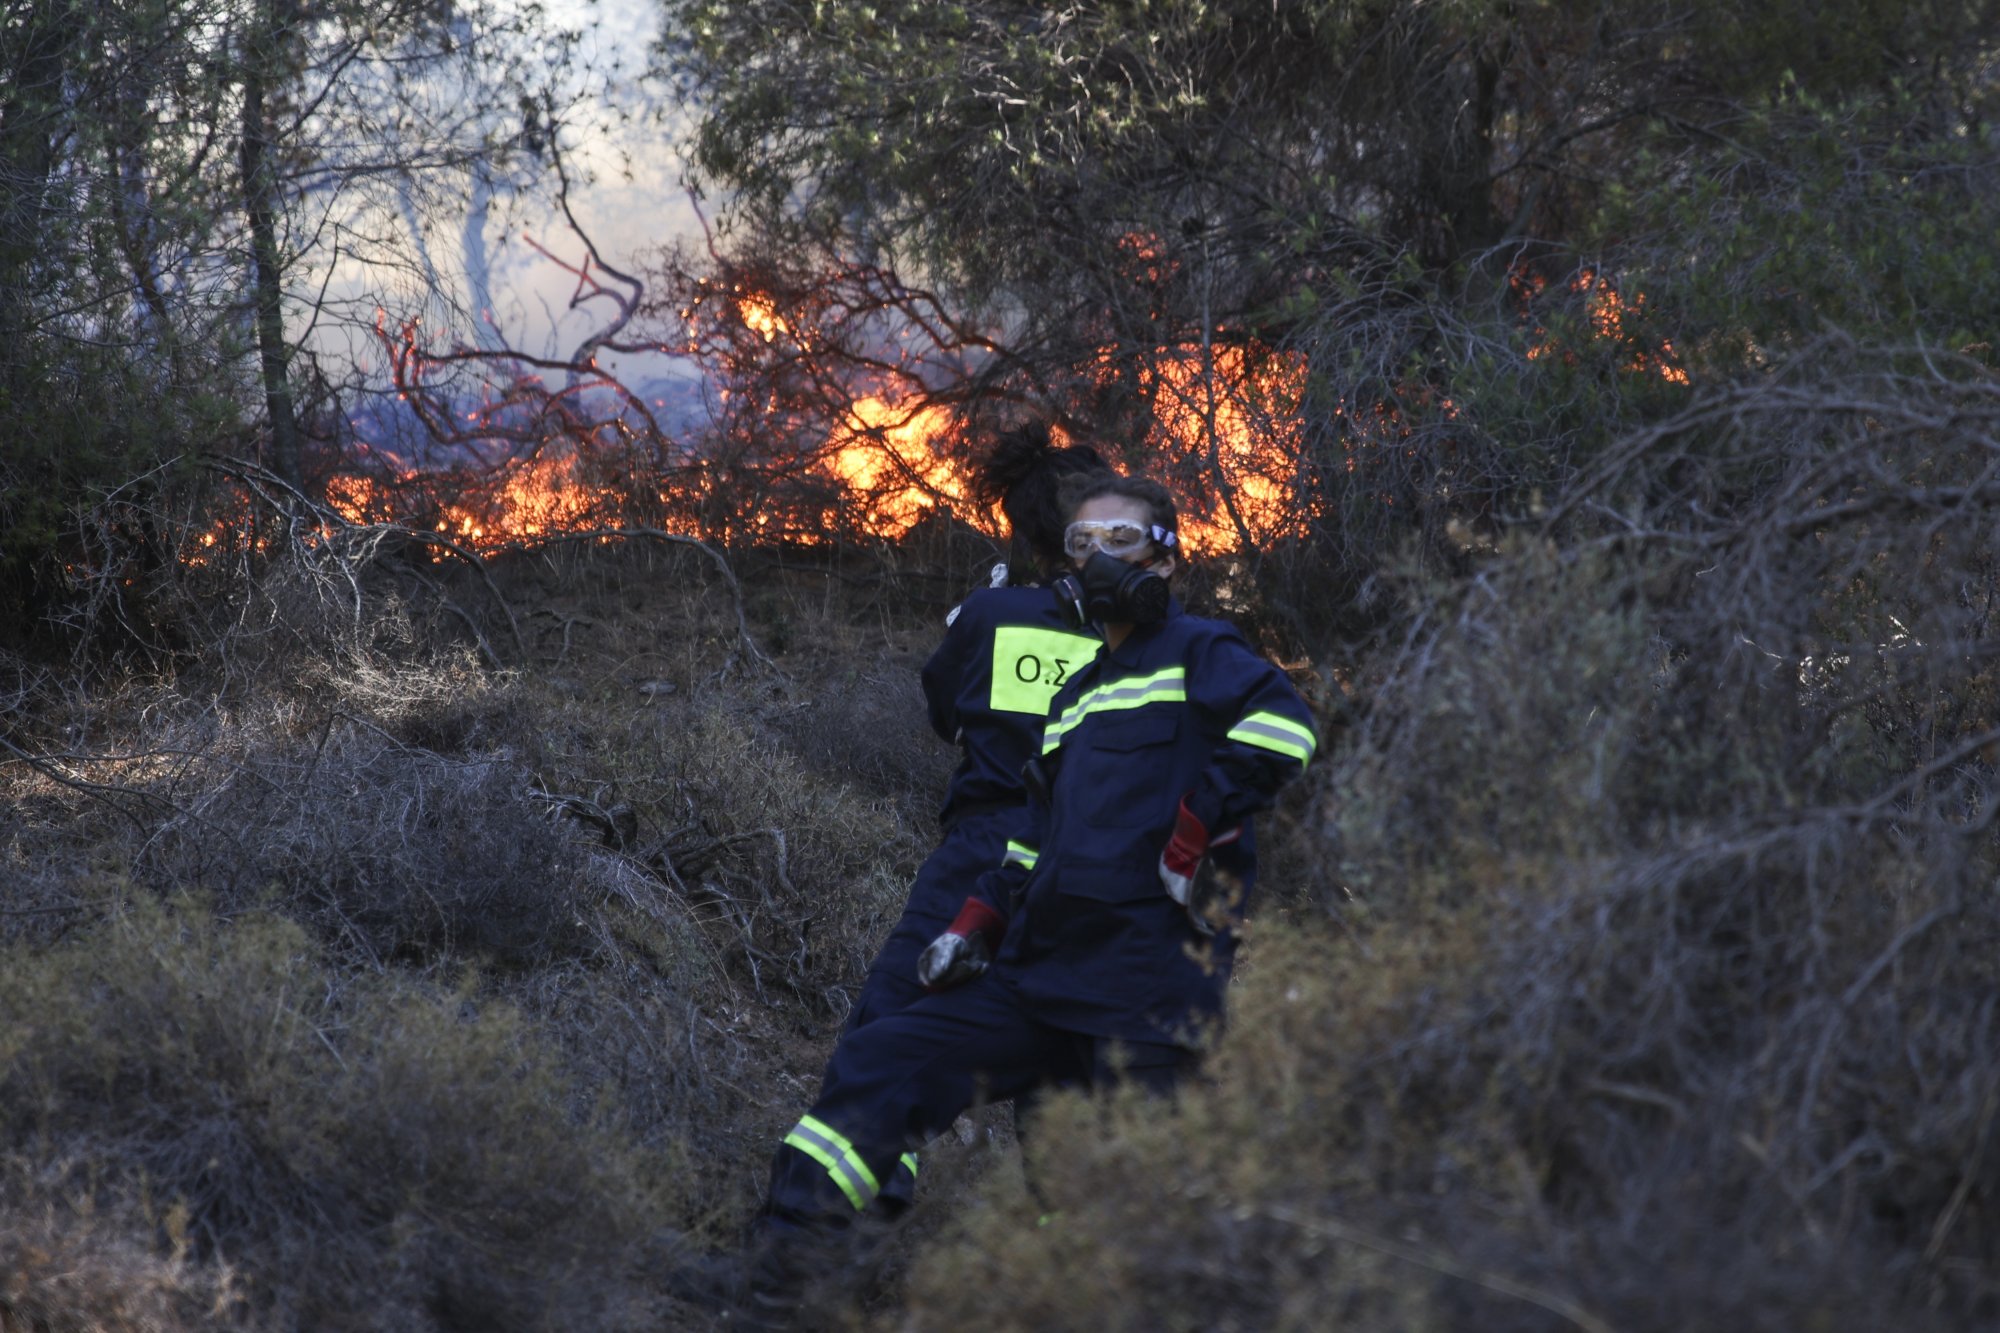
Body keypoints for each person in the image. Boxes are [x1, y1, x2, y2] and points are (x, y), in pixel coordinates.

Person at [759, 470, 1318, 1258]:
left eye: (1121, 540)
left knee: (1129, 1211)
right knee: (883, 1058)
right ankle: (778, 1274)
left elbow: (1287, 728)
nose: (1099, 558)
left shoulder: (1200, 649)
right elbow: (1035, 834)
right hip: (1040, 978)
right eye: (1083, 542)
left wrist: (1200, 818)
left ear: (1165, 559)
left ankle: (1097, 1291)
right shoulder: (1077, 696)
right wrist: (977, 919)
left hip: (1146, 990)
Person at [822, 422, 1110, 1211]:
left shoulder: (989, 615)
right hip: (1093, 862)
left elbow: (945, 713)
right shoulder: (1140, 635)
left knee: (889, 1027)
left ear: (1028, 533)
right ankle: (1076, 1246)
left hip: (986, 847)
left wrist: (986, 617)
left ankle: (844, 1222)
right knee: (1066, 1066)